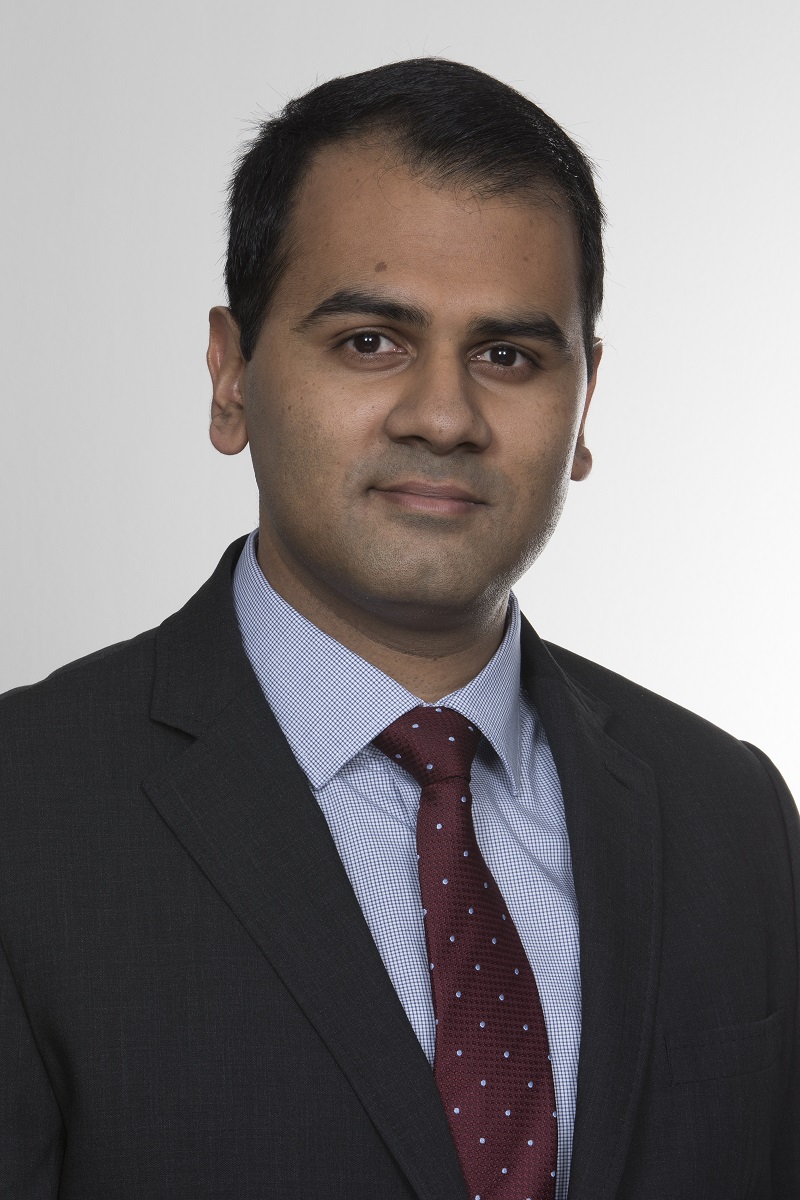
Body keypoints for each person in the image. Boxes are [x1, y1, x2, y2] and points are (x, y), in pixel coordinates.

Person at [0, 57, 797, 1200]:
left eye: (507, 355)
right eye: (369, 341)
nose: (443, 415)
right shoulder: (26, 813)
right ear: (229, 376)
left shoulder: (732, 819)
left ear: (583, 402)